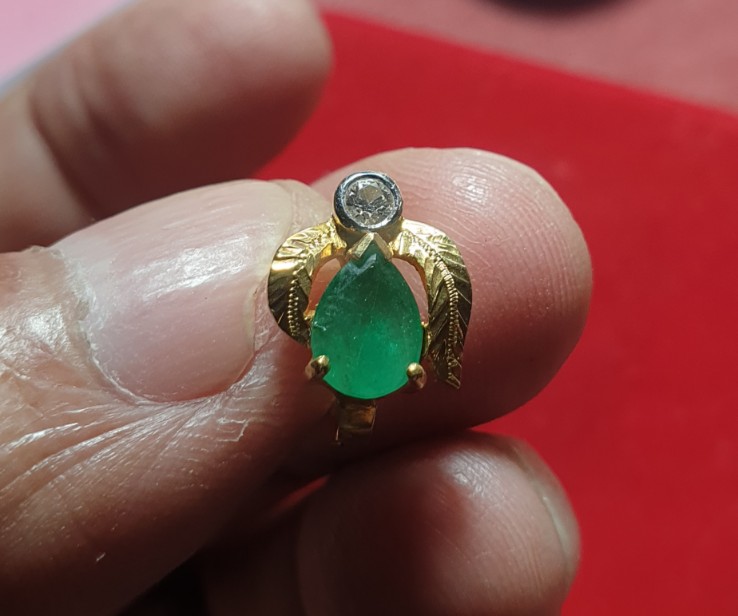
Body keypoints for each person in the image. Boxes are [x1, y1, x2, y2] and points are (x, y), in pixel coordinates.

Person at [0, 0, 591, 613]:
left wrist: (381, 342)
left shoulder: (397, 255)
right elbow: (293, 294)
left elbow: (431, 286)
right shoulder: (332, 256)